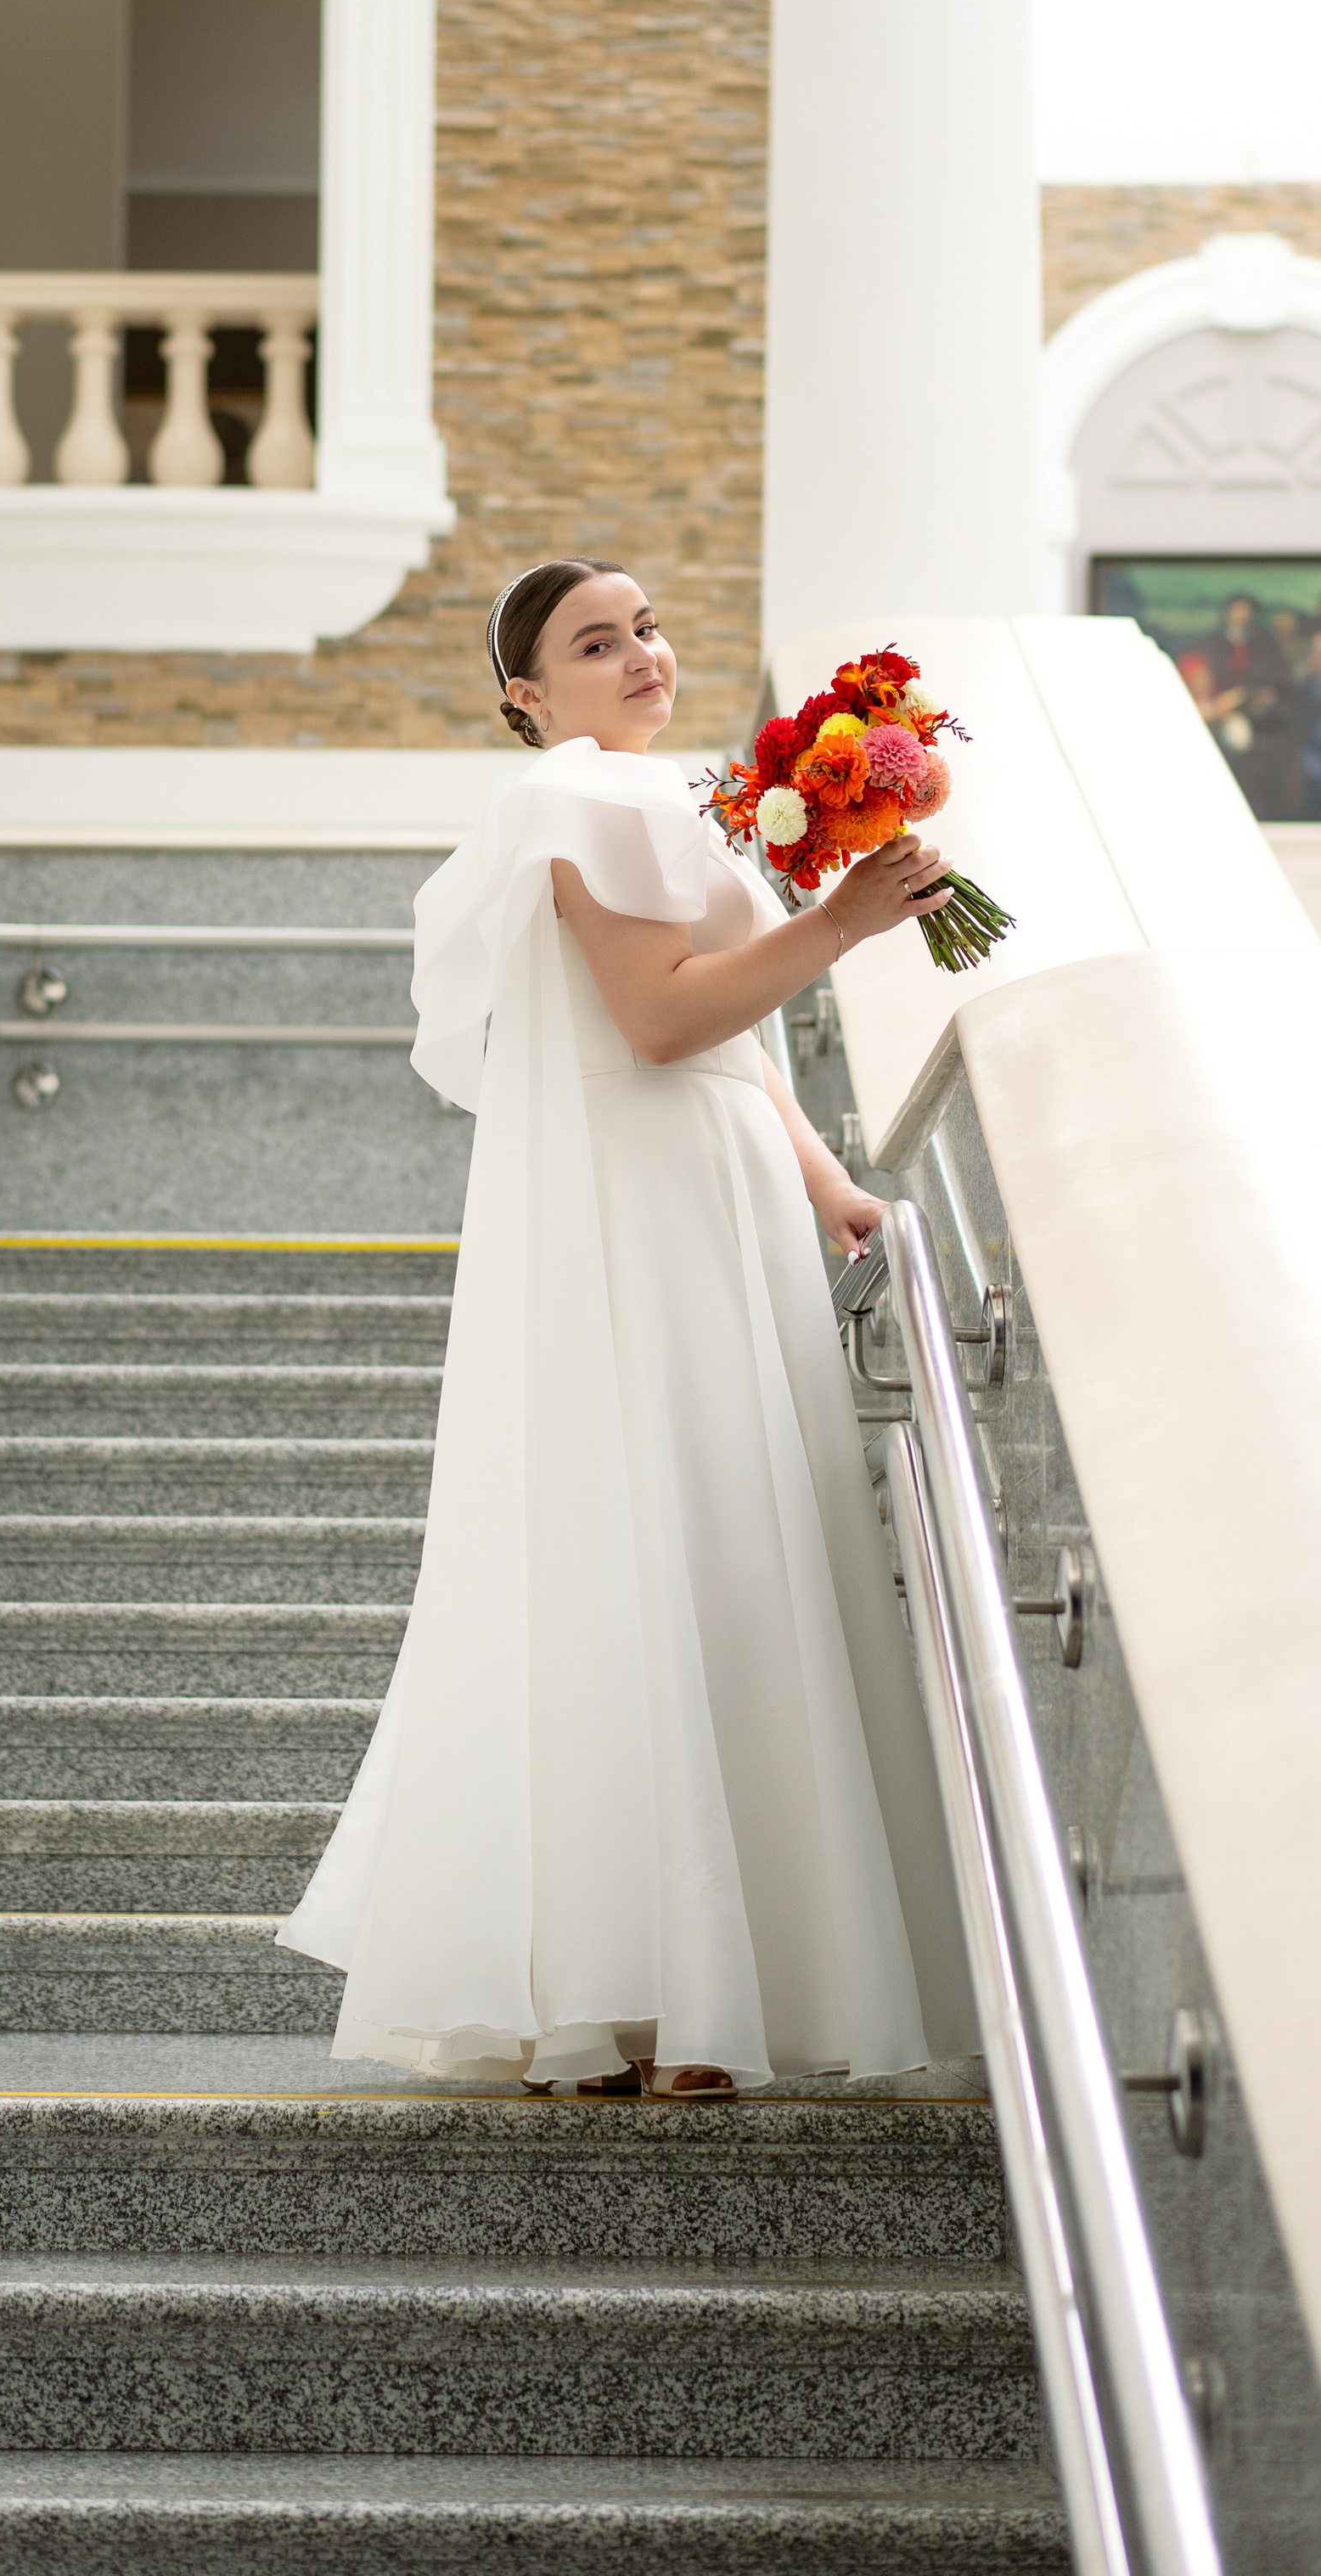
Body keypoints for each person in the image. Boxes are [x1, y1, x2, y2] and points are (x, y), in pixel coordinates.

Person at [277, 560, 977, 2096]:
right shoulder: (581, 800)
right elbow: (662, 1020)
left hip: (714, 1182)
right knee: (653, 1547)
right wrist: (851, 919)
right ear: (527, 694)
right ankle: (637, 1994)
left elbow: (742, 1046)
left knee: (722, 1549)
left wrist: (824, 1186)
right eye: (596, 642)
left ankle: (678, 1990)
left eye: (648, 627)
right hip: (637, 1204)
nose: (641, 653)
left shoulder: (689, 799)